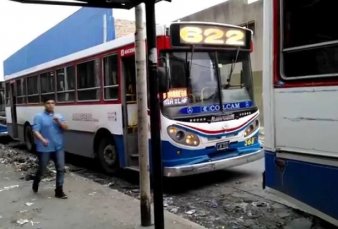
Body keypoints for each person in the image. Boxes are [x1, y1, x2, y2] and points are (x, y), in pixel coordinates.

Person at [32, 97, 68, 199]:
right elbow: (35, 131)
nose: (51, 105)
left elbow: (66, 128)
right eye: (48, 103)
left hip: (58, 147)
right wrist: (42, 140)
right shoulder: (38, 116)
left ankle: (59, 191)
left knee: (60, 169)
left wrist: (59, 122)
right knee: (42, 169)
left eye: (53, 103)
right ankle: (36, 181)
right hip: (45, 148)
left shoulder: (59, 116)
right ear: (44, 104)